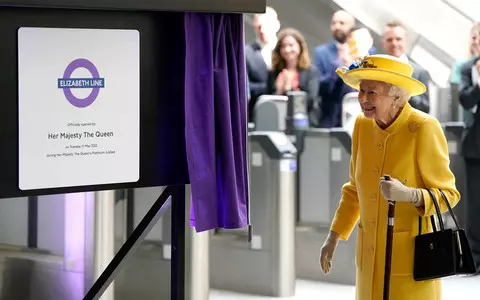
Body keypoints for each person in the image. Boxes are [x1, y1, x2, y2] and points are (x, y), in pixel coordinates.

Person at [319, 54, 461, 299]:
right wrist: (333, 236)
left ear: (397, 96)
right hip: (368, 260)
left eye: (372, 93)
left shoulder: (423, 128)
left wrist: (411, 195)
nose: (362, 99)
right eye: (361, 91)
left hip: (409, 262)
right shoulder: (362, 126)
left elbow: (449, 195)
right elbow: (354, 189)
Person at [314, 10, 375, 128]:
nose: (337, 26)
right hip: (333, 118)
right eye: (334, 23)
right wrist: (340, 65)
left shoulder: (370, 54)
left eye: (342, 23)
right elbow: (321, 86)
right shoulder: (322, 52)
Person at [265, 28, 321, 126]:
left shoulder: (310, 72)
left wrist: (288, 88)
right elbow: (268, 99)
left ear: (300, 47)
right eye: (283, 46)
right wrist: (279, 91)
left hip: (304, 123)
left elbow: (310, 100)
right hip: (277, 121)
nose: (287, 50)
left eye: (291, 45)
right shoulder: (273, 72)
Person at [459, 49, 480, 274]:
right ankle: (475, 257)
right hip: (476, 146)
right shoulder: (468, 69)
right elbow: (465, 100)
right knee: (475, 205)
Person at [382, 21, 431, 113]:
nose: (394, 43)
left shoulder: (420, 72)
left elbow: (425, 108)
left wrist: (404, 91)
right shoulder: (376, 71)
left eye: (398, 39)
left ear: (405, 40)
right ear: (383, 43)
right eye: (389, 40)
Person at [245, 6, 281, 122]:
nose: (262, 30)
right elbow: (245, 86)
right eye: (259, 27)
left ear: (276, 25)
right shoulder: (246, 53)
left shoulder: (286, 50)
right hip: (256, 114)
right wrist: (272, 87)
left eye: (266, 25)